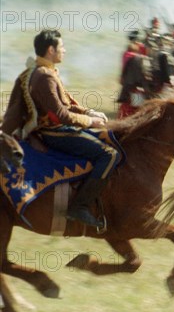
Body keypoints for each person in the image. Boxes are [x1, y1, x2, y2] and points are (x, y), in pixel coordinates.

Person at [1, 30, 121, 228]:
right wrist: (90, 122)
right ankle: (80, 206)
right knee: (109, 155)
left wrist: (90, 112)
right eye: (61, 47)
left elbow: (66, 104)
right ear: (50, 50)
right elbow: (60, 114)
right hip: (55, 133)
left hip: (58, 128)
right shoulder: (44, 77)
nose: (64, 50)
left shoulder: (42, 71)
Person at [116, 30, 151, 118]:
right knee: (135, 107)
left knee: (129, 104)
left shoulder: (127, 54)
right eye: (138, 41)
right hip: (135, 84)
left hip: (128, 83)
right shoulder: (134, 56)